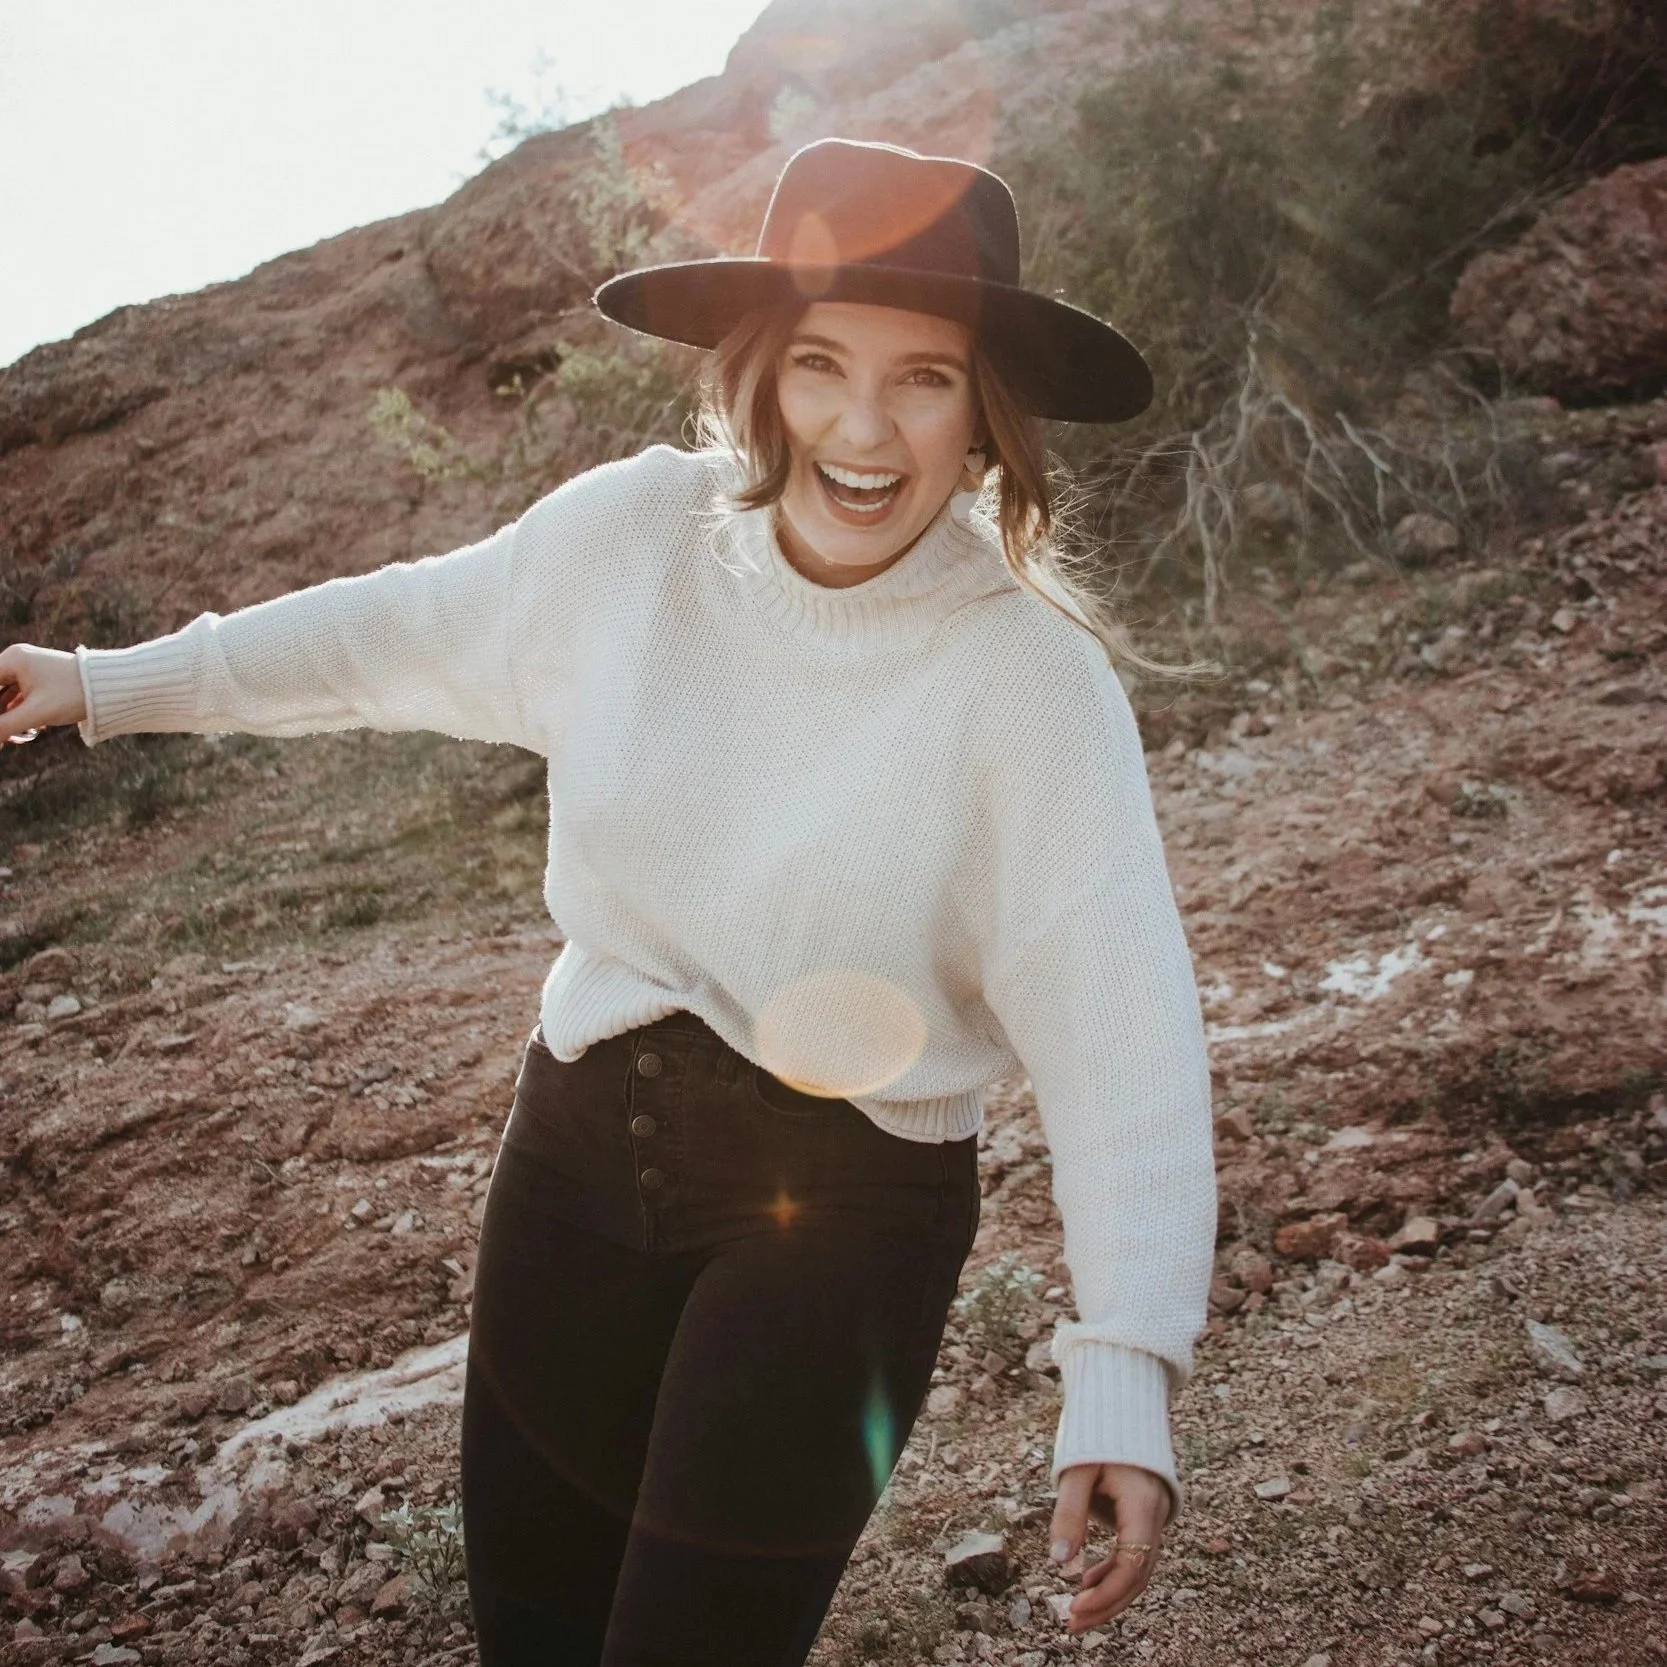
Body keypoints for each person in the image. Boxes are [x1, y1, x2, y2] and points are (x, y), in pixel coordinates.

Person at [0, 137, 1217, 1666]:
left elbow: (1123, 1036)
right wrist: (106, 685)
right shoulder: (632, 539)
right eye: (821, 363)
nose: (860, 425)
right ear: (759, 376)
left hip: (842, 1218)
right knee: (533, 1634)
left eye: (922, 377)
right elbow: (386, 635)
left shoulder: (1028, 684)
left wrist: (1122, 1365)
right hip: (574, 1149)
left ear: (985, 417)